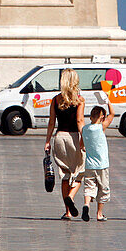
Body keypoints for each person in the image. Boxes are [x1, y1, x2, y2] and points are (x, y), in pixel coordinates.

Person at [44, 68, 85, 219]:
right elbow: (80, 121)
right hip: (74, 137)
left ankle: (67, 211)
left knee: (65, 175)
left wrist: (48, 141)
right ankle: (72, 197)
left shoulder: (55, 100)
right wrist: (84, 139)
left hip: (60, 137)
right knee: (80, 171)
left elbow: (51, 123)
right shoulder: (79, 100)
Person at [80, 99, 114, 222]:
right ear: (102, 117)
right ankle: (99, 214)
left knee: (89, 187)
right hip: (102, 165)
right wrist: (108, 101)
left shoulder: (85, 129)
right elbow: (112, 114)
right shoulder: (101, 127)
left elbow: (81, 145)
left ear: (90, 116)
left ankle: (86, 205)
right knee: (103, 189)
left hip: (89, 165)